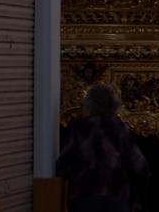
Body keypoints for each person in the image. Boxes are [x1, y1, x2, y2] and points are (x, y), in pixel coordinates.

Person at [56, 83, 148, 212]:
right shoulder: (120, 129)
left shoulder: (78, 128)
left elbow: (62, 165)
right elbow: (140, 165)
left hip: (83, 199)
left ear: (89, 104)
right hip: (115, 199)